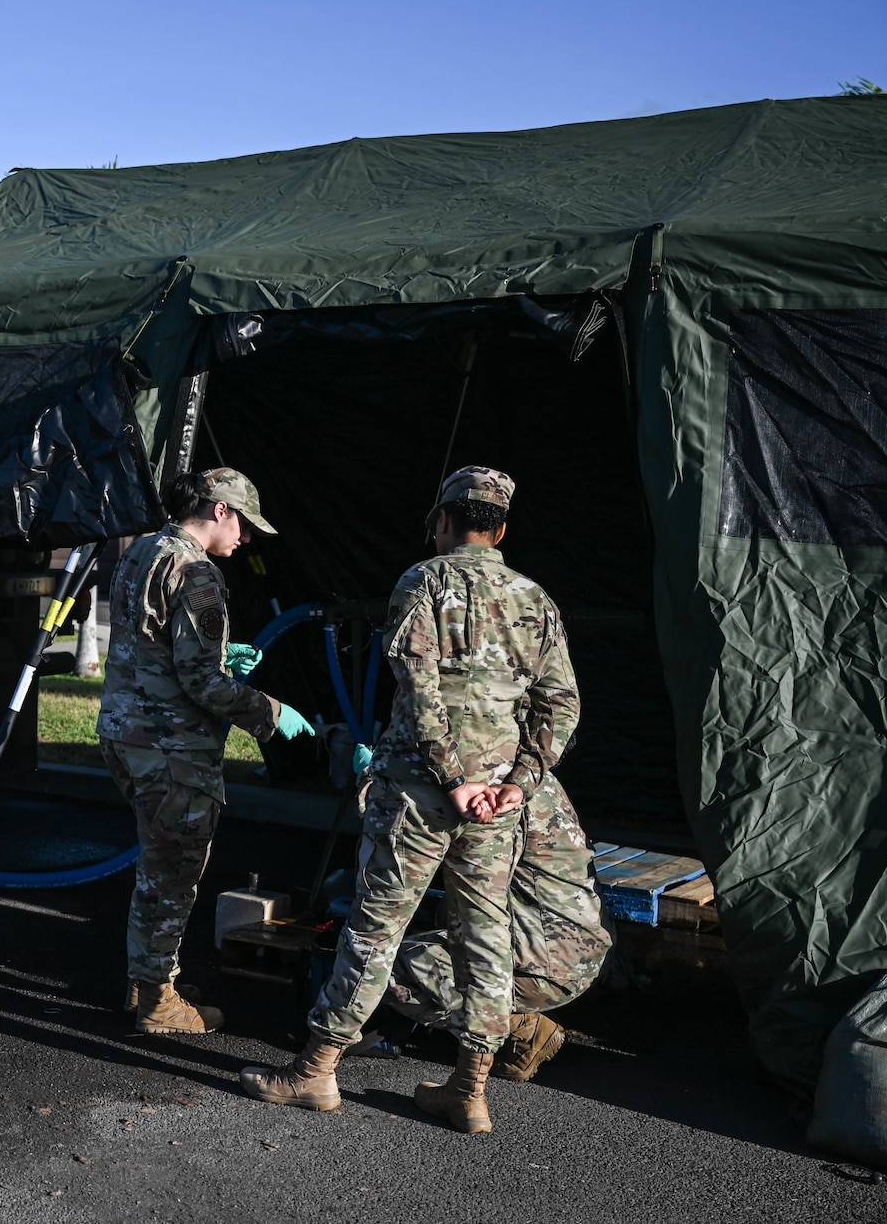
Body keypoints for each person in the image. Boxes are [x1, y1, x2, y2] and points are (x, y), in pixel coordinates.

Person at [241, 466, 579, 1132]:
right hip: (494, 808)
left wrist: (453, 777)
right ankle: (468, 1088)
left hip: (421, 798)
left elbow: (419, 689)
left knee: (375, 927)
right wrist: (518, 782)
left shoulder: (421, 582)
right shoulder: (534, 599)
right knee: (485, 936)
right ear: (501, 528)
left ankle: (316, 1071)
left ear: (445, 519)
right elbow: (559, 704)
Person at [96, 468, 317, 1035]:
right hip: (173, 750)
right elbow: (204, 685)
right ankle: (157, 1004)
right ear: (221, 509)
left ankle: (148, 980)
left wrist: (216, 657)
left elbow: (152, 644)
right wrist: (270, 713)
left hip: (126, 735)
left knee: (155, 867)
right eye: (244, 524)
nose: (246, 539)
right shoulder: (198, 573)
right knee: (171, 877)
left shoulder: (144, 549)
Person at [381, 773, 611, 1081]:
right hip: (579, 950)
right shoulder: (532, 779)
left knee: (381, 965)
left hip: (544, 964)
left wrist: (384, 791)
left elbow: (414, 844)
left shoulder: (492, 792)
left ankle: (522, 1029)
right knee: (445, 916)